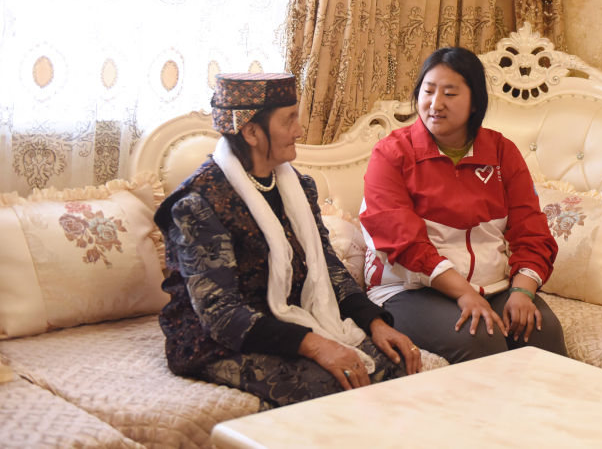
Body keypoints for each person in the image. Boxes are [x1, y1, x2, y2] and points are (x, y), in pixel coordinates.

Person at [155, 72, 420, 408]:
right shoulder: (199, 204)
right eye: (289, 120)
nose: (298, 130)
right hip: (219, 340)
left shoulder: (296, 186)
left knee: (397, 364)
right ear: (251, 132)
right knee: (337, 386)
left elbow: (328, 267)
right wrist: (316, 345)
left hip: (289, 319)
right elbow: (221, 316)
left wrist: (375, 322)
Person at [359, 47, 567, 363]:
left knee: (541, 331)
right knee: (479, 337)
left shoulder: (502, 153)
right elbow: (401, 240)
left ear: (475, 103)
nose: (435, 104)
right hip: (408, 288)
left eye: (450, 94)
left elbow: (532, 230)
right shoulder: (392, 154)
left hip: (491, 286)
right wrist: (464, 293)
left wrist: (523, 291)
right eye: (428, 91)